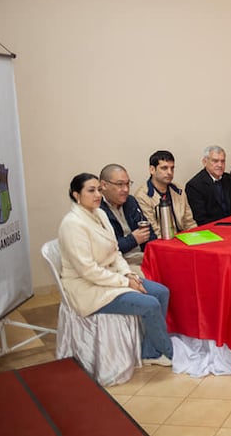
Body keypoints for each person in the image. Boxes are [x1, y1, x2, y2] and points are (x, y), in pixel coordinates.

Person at [59, 173, 173, 366]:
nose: (97, 194)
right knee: (151, 304)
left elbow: (115, 252)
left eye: (98, 190)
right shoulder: (72, 225)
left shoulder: (100, 214)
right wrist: (125, 282)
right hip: (89, 288)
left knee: (162, 292)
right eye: (91, 190)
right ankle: (167, 351)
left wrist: (129, 273)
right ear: (76, 195)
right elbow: (88, 271)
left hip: (113, 277)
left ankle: (150, 352)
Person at [99, 164, 156, 272]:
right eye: (120, 184)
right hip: (118, 264)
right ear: (104, 185)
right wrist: (133, 239)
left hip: (143, 256)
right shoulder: (98, 210)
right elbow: (105, 250)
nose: (125, 189)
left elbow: (149, 232)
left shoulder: (130, 201)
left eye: (127, 184)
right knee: (155, 279)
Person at [135, 150, 197, 238]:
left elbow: (189, 222)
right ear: (152, 170)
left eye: (172, 168)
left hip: (185, 238)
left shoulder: (178, 190)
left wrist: (196, 238)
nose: (170, 172)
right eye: (164, 168)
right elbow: (155, 232)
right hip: (164, 242)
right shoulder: (143, 196)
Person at [185, 145, 231, 225]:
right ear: (205, 162)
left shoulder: (229, 178)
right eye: (215, 161)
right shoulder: (195, 186)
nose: (220, 165)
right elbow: (201, 219)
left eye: (222, 161)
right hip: (212, 229)